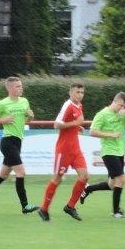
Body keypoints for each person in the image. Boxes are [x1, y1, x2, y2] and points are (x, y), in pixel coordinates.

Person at [0, 76, 40, 214]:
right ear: (10, 89)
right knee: (21, 172)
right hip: (8, 141)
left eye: (21, 86)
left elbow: (27, 120)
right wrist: (3, 120)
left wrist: (31, 116)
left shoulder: (24, 101)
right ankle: (25, 206)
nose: (21, 88)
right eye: (18, 86)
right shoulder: (2, 103)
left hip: (18, 141)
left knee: (3, 174)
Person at [80, 91, 125, 217]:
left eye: (124, 107)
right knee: (121, 180)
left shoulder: (123, 114)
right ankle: (116, 211)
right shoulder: (102, 114)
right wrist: (110, 135)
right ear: (114, 101)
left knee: (112, 184)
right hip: (108, 152)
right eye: (120, 105)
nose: (122, 108)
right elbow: (92, 131)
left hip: (120, 151)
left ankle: (88, 189)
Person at [38, 82, 89, 221]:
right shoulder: (68, 105)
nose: (80, 95)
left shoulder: (79, 105)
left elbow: (73, 122)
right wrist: (75, 124)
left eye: (82, 92)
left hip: (75, 149)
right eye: (77, 92)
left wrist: (77, 127)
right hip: (64, 150)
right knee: (57, 179)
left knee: (84, 176)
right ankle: (44, 209)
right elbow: (57, 125)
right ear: (70, 92)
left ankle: (70, 206)